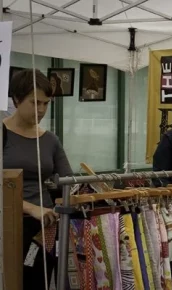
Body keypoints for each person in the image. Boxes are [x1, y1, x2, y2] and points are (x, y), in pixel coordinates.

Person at [3, 69, 73, 290]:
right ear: (16, 99)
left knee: (38, 281)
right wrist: (30, 208)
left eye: (46, 103)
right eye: (35, 103)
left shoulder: (49, 139)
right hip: (8, 224)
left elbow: (68, 181)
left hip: (44, 227)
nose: (41, 109)